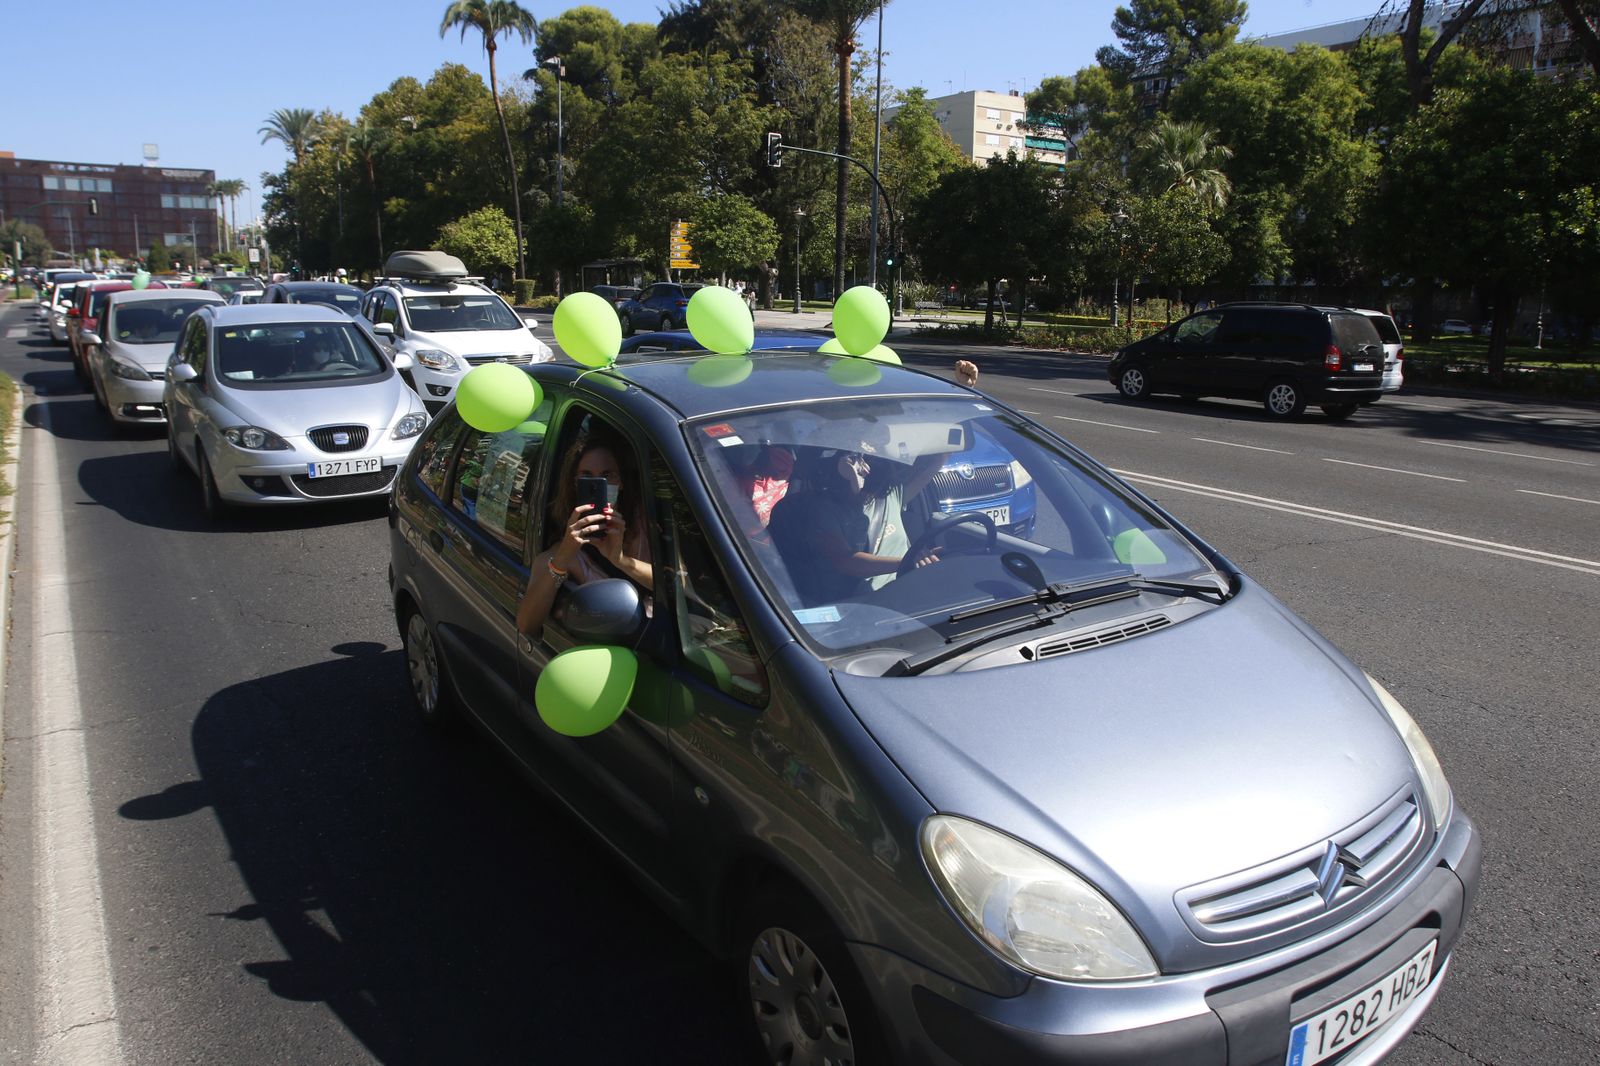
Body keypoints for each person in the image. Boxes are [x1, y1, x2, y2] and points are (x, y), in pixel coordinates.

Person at [517, 424, 654, 636]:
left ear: (622, 482)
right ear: (575, 485)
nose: (599, 485)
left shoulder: (645, 520)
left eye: (608, 475)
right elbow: (527, 625)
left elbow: (679, 587)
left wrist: (621, 561)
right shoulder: (563, 554)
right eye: (587, 476)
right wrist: (563, 556)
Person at [769, 444, 944, 605]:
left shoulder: (891, 495)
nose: (866, 495)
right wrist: (907, 562)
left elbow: (936, 459)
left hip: (909, 591)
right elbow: (845, 560)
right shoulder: (822, 510)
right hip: (867, 605)